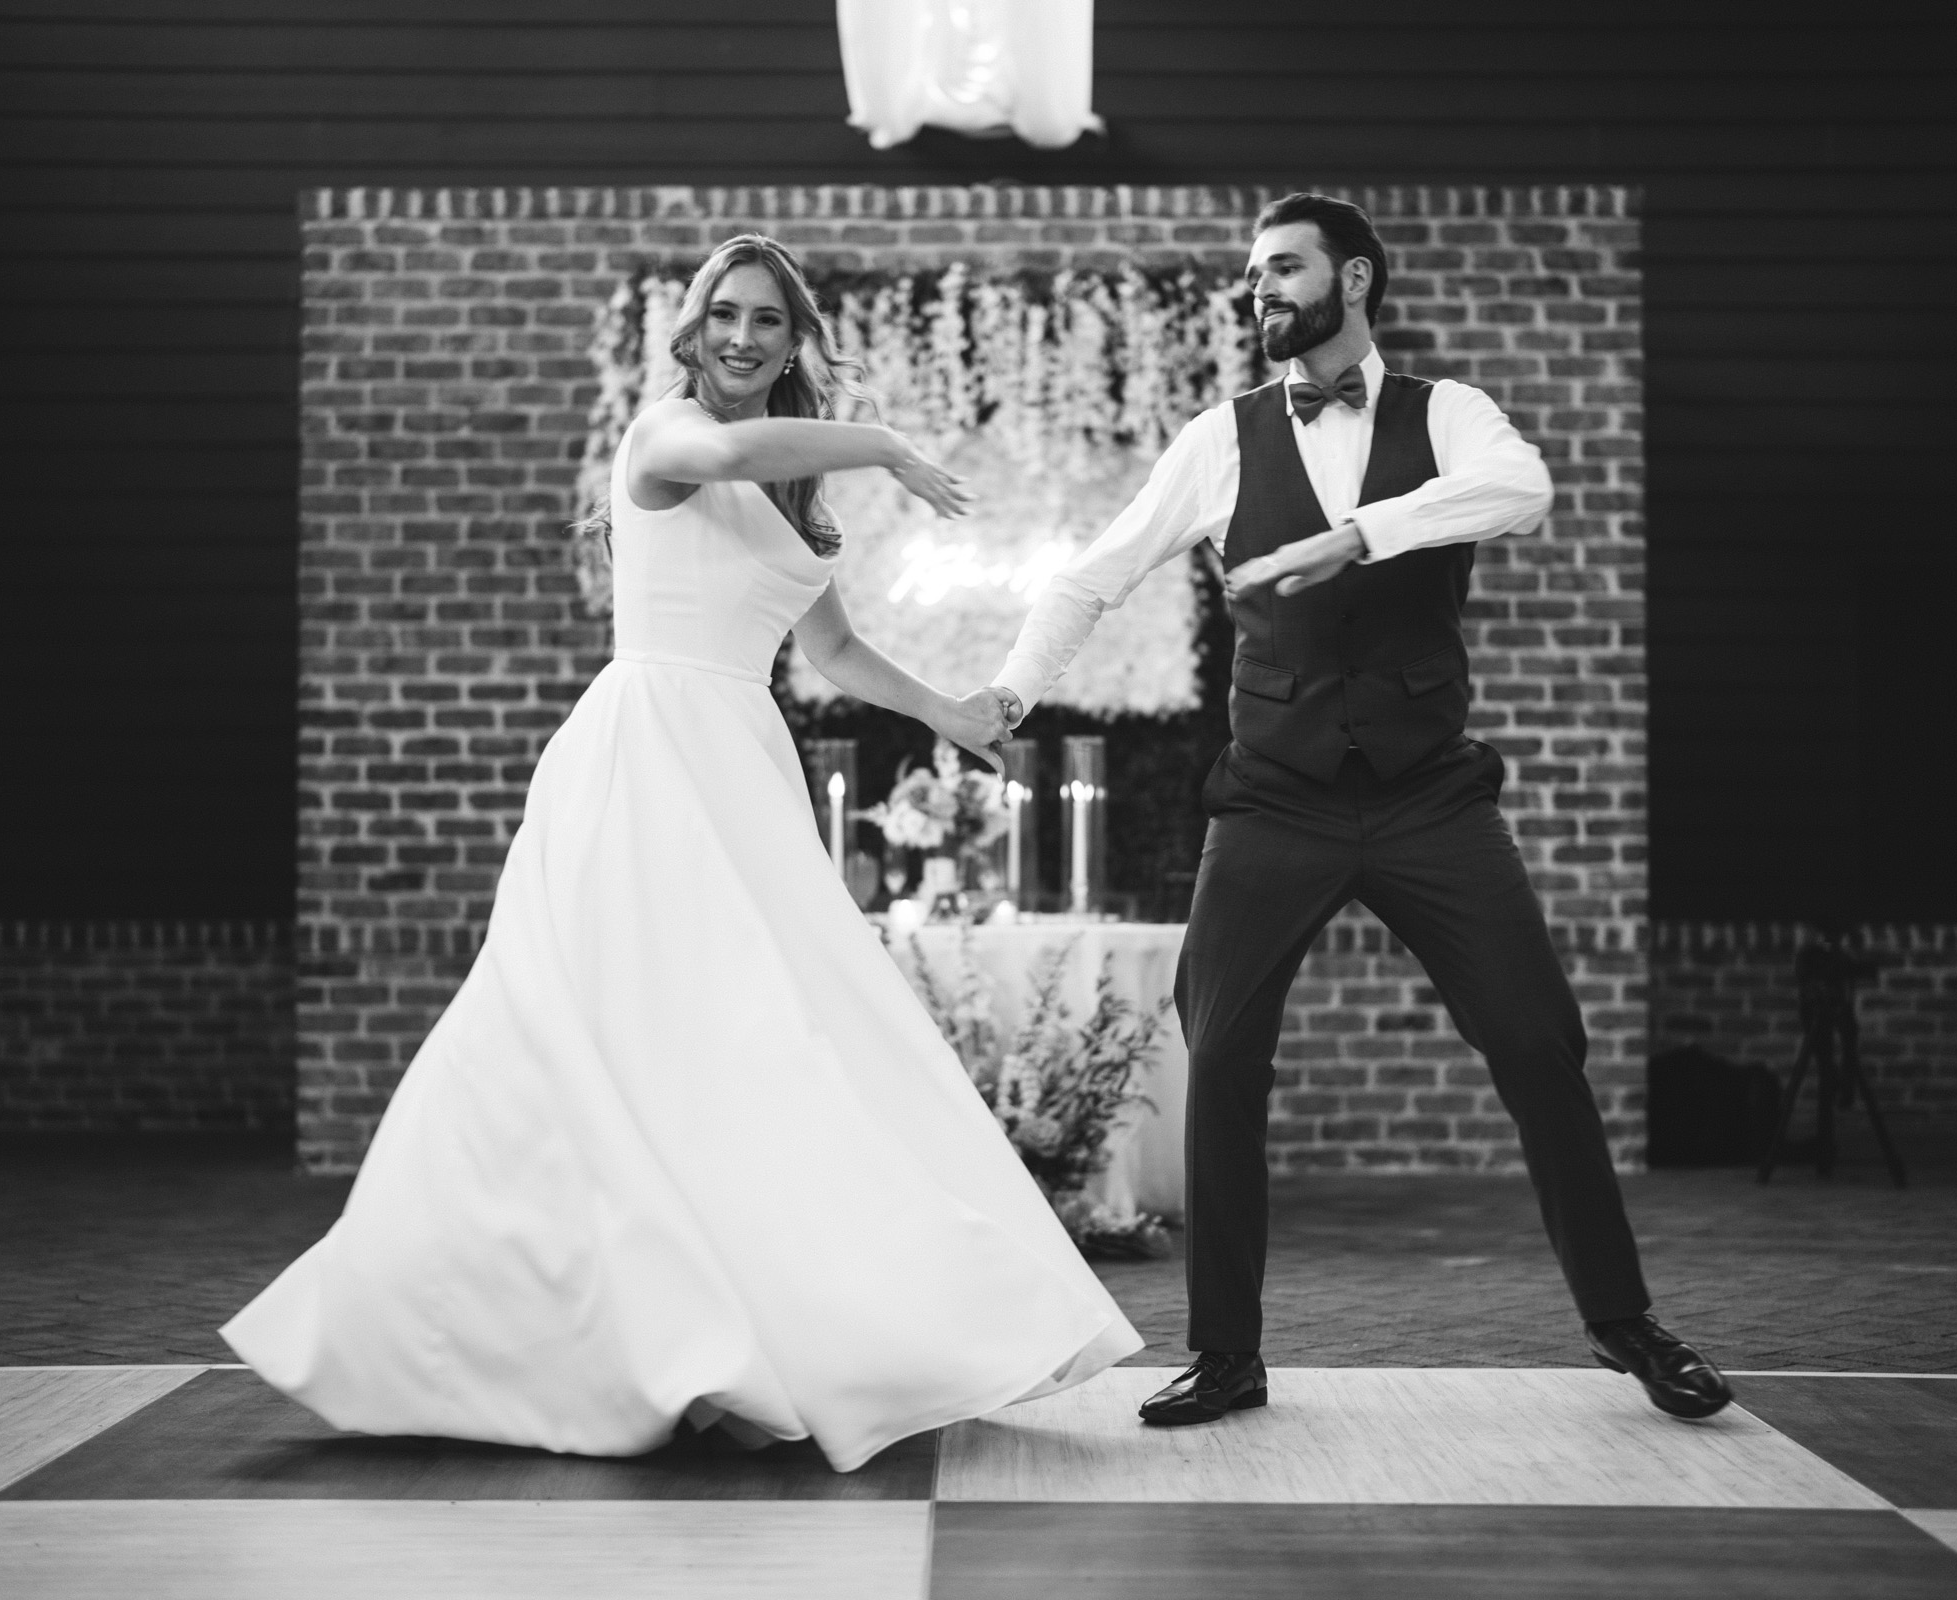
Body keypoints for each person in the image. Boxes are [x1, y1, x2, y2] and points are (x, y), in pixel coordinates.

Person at [224, 234, 1140, 1473]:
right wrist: (879, 442)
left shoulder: (796, 503)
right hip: (643, 753)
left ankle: (744, 1331)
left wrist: (953, 714)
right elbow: (723, 451)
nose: (744, 336)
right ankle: (521, 1329)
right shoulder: (664, 437)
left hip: (740, 770)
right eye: (725, 313)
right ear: (694, 328)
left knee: (755, 1041)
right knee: (590, 1030)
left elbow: (837, 654)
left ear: (792, 340)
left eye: (769, 319)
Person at [984, 194, 1731, 1428]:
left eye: (1284, 267)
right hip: (1273, 798)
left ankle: (1626, 1324)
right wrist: (1010, 694)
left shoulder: (1453, 417)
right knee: (1219, 1060)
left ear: (1359, 278)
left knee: (1539, 1044)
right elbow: (1094, 575)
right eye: (1252, 273)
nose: (1260, 290)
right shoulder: (1217, 440)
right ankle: (1226, 1354)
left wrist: (1359, 536)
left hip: (1430, 797)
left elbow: (1521, 492)